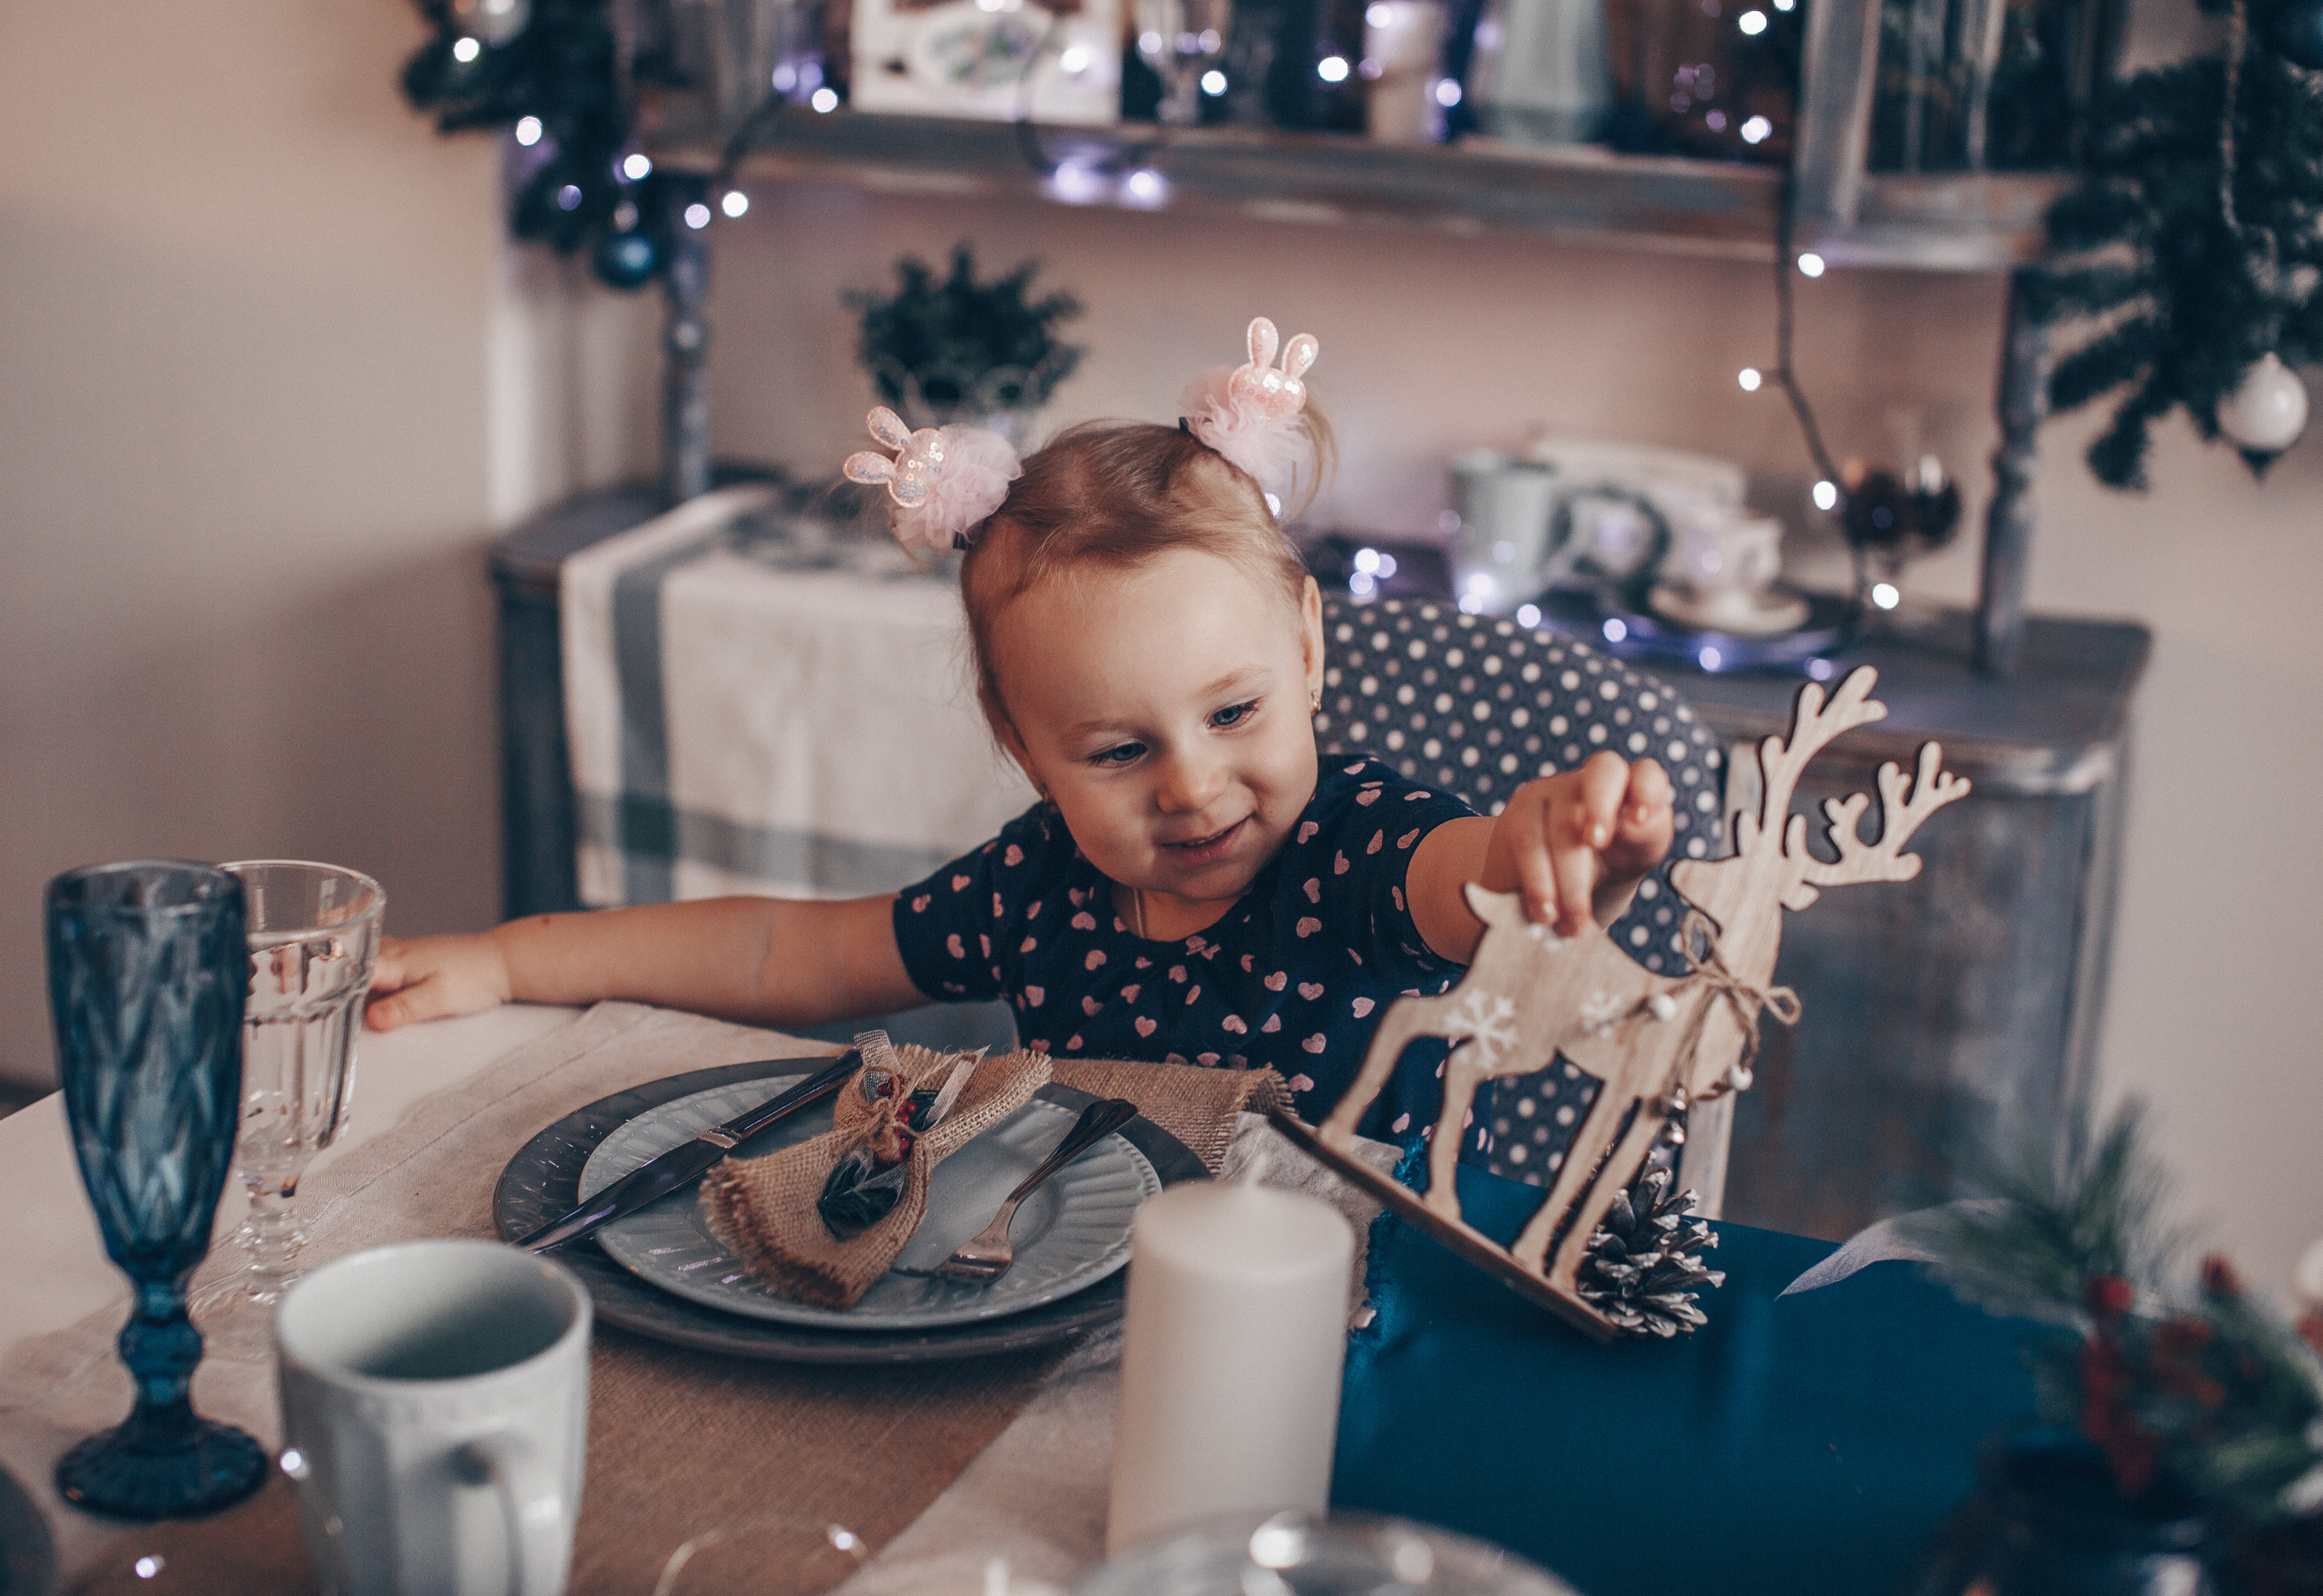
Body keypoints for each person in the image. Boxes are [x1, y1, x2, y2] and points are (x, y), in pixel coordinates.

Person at [367, 318, 1674, 1149]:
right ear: (1020, 740)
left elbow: (1464, 882)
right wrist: (506, 958)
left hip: (1346, 1318)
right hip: (1078, 1302)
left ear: (1310, 649)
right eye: (1118, 751)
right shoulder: (1041, 886)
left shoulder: (1350, 853)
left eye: (1235, 712)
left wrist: (1544, 841)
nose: (1195, 786)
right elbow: (788, 951)